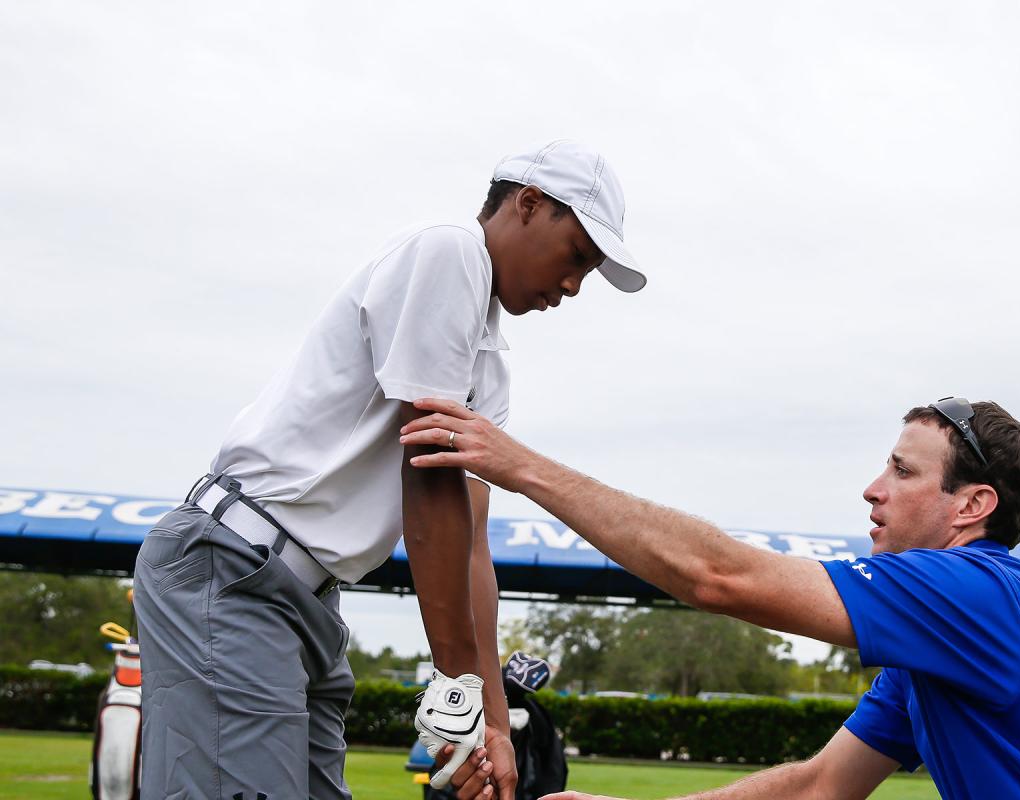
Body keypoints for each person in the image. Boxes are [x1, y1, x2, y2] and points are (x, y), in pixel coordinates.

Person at [132, 140, 645, 800]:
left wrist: (491, 721)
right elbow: (428, 476)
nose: (575, 284)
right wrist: (456, 701)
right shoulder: (451, 248)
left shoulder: (490, 371)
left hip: (308, 601)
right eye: (577, 255)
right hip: (236, 573)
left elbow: (471, 551)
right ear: (528, 204)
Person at [402, 397, 1020, 800]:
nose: (873, 491)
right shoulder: (936, 650)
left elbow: (722, 578)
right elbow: (817, 786)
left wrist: (520, 467)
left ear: (970, 507)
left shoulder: (982, 594)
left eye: (903, 473)